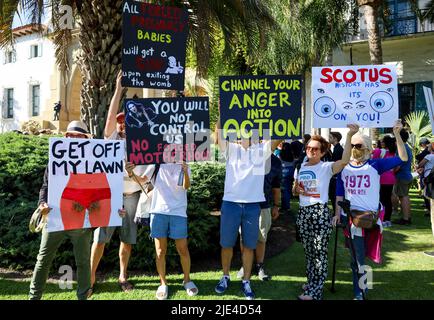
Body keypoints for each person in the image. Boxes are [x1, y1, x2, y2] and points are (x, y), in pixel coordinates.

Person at [335, 120, 408, 300]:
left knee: (362, 258)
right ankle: (361, 291)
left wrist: (397, 135)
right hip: (352, 220)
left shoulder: (375, 165)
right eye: (351, 145)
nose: (354, 148)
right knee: (357, 258)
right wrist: (337, 215)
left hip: (372, 219)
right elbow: (338, 195)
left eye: (358, 145)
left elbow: (403, 158)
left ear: (368, 148)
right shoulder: (343, 169)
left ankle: (364, 288)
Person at [214, 117, 281, 300]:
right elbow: (218, 133)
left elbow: (278, 137)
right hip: (230, 203)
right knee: (226, 244)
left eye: (250, 131)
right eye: (243, 131)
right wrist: (223, 113)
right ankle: (225, 276)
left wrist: (282, 114)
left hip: (252, 205)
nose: (246, 134)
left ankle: (246, 281)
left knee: (249, 246)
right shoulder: (231, 149)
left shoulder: (261, 150)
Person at [90, 71, 144, 294]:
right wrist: (118, 90)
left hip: (132, 196)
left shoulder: (143, 143)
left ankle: (123, 276)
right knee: (100, 238)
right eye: (121, 122)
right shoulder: (112, 139)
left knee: (127, 239)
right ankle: (90, 278)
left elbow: (147, 177)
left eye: (127, 122)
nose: (123, 125)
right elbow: (110, 117)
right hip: (110, 197)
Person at [29, 120, 94, 300]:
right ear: (65, 137)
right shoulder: (55, 159)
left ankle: (83, 296)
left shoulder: (93, 162)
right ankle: (33, 297)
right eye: (70, 135)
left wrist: (109, 213)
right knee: (43, 260)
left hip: (81, 218)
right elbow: (45, 186)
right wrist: (42, 203)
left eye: (78, 136)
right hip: (55, 216)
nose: (73, 138)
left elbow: (101, 190)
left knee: (82, 261)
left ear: (85, 139)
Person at [292, 124, 358, 300]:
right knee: (309, 252)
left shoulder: (326, 167)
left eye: (315, 149)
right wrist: (297, 190)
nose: (310, 151)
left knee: (319, 253)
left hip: (319, 213)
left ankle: (315, 292)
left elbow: (344, 161)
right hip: (303, 212)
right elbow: (295, 190)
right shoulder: (302, 166)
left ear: (322, 152)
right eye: (308, 148)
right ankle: (312, 281)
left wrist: (350, 135)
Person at [125, 160, 198, 300]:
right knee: (159, 251)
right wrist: (130, 172)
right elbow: (141, 180)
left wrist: (185, 171)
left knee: (183, 249)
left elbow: (186, 186)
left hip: (178, 212)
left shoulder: (184, 163)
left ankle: (187, 280)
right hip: (158, 212)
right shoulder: (156, 164)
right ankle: (163, 283)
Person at [237, 153, 282, 281]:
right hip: (246, 204)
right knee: (243, 237)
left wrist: (276, 205)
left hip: (264, 205)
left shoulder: (275, 161)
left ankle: (259, 265)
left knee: (261, 237)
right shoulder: (247, 155)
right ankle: (245, 265)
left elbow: (276, 187)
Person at [372, 135, 397, 227]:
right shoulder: (393, 153)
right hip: (391, 178)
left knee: (381, 199)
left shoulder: (379, 151)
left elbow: (373, 162)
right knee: (387, 199)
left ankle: (381, 219)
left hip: (382, 178)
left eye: (383, 141)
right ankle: (387, 219)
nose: (381, 143)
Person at [392, 128, 413, 225]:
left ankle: (405, 219)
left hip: (402, 176)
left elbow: (399, 164)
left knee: (403, 197)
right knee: (405, 196)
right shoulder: (407, 146)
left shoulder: (401, 148)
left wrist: (393, 171)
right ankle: (407, 217)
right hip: (407, 175)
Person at [329, 131, 343, 214]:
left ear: (335, 139)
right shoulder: (336, 148)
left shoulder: (338, 149)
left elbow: (336, 163)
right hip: (335, 176)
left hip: (336, 177)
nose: (329, 139)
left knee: (334, 196)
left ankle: (337, 215)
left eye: (330, 137)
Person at [416, 137, 431, 215]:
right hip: (427, 174)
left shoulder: (428, 154)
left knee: (426, 192)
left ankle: (429, 209)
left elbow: (419, 160)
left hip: (427, 175)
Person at [279, 142, 295, 213]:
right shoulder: (292, 155)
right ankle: (286, 206)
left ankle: (285, 207)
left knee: (284, 191)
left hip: (283, 173)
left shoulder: (281, 154)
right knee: (287, 190)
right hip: (290, 173)